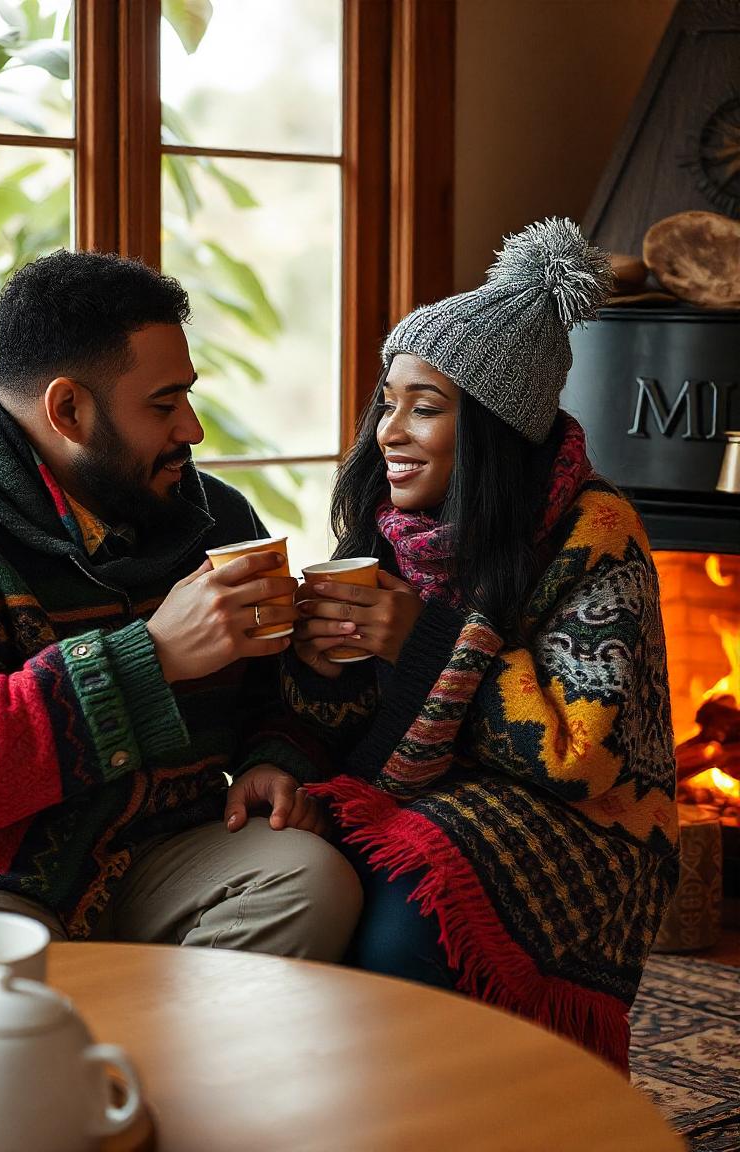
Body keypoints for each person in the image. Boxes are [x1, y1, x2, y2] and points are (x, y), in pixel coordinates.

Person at [0, 249, 361, 958]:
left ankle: (184, 1066)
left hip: (166, 854)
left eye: (187, 395)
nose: (193, 429)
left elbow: (274, 696)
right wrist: (150, 658)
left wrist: (276, 758)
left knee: (311, 880)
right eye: (163, 403)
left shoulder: (215, 518)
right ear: (68, 409)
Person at [283, 218, 678, 1070]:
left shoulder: (596, 533)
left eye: (424, 408)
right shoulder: (397, 526)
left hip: (589, 823)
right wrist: (317, 664)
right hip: (426, 787)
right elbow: (350, 721)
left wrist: (419, 644)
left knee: (409, 907)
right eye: (386, 402)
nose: (388, 431)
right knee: (308, 875)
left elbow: (582, 756)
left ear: (494, 429)